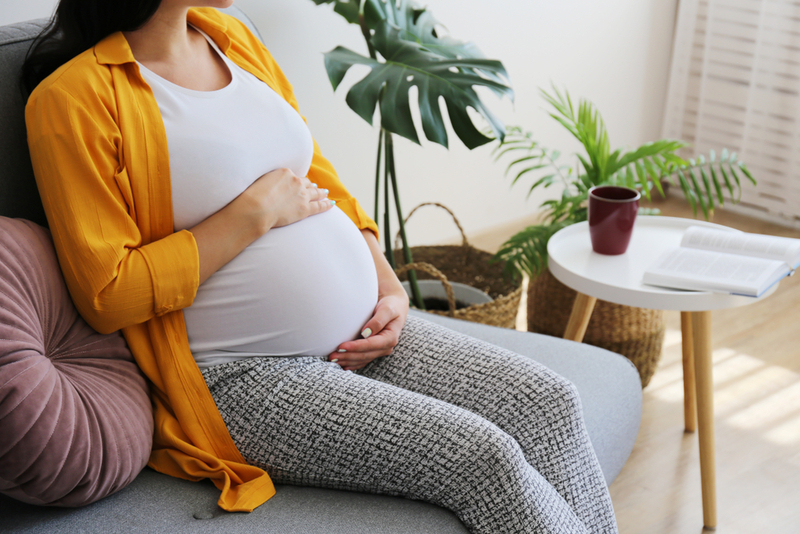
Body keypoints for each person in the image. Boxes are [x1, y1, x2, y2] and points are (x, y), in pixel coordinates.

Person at [22, 1, 618, 532]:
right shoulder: (71, 99)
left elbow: (317, 173)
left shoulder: (232, 38)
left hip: (363, 332)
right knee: (484, 460)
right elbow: (108, 295)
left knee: (548, 404)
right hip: (243, 377)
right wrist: (251, 214)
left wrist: (387, 283)